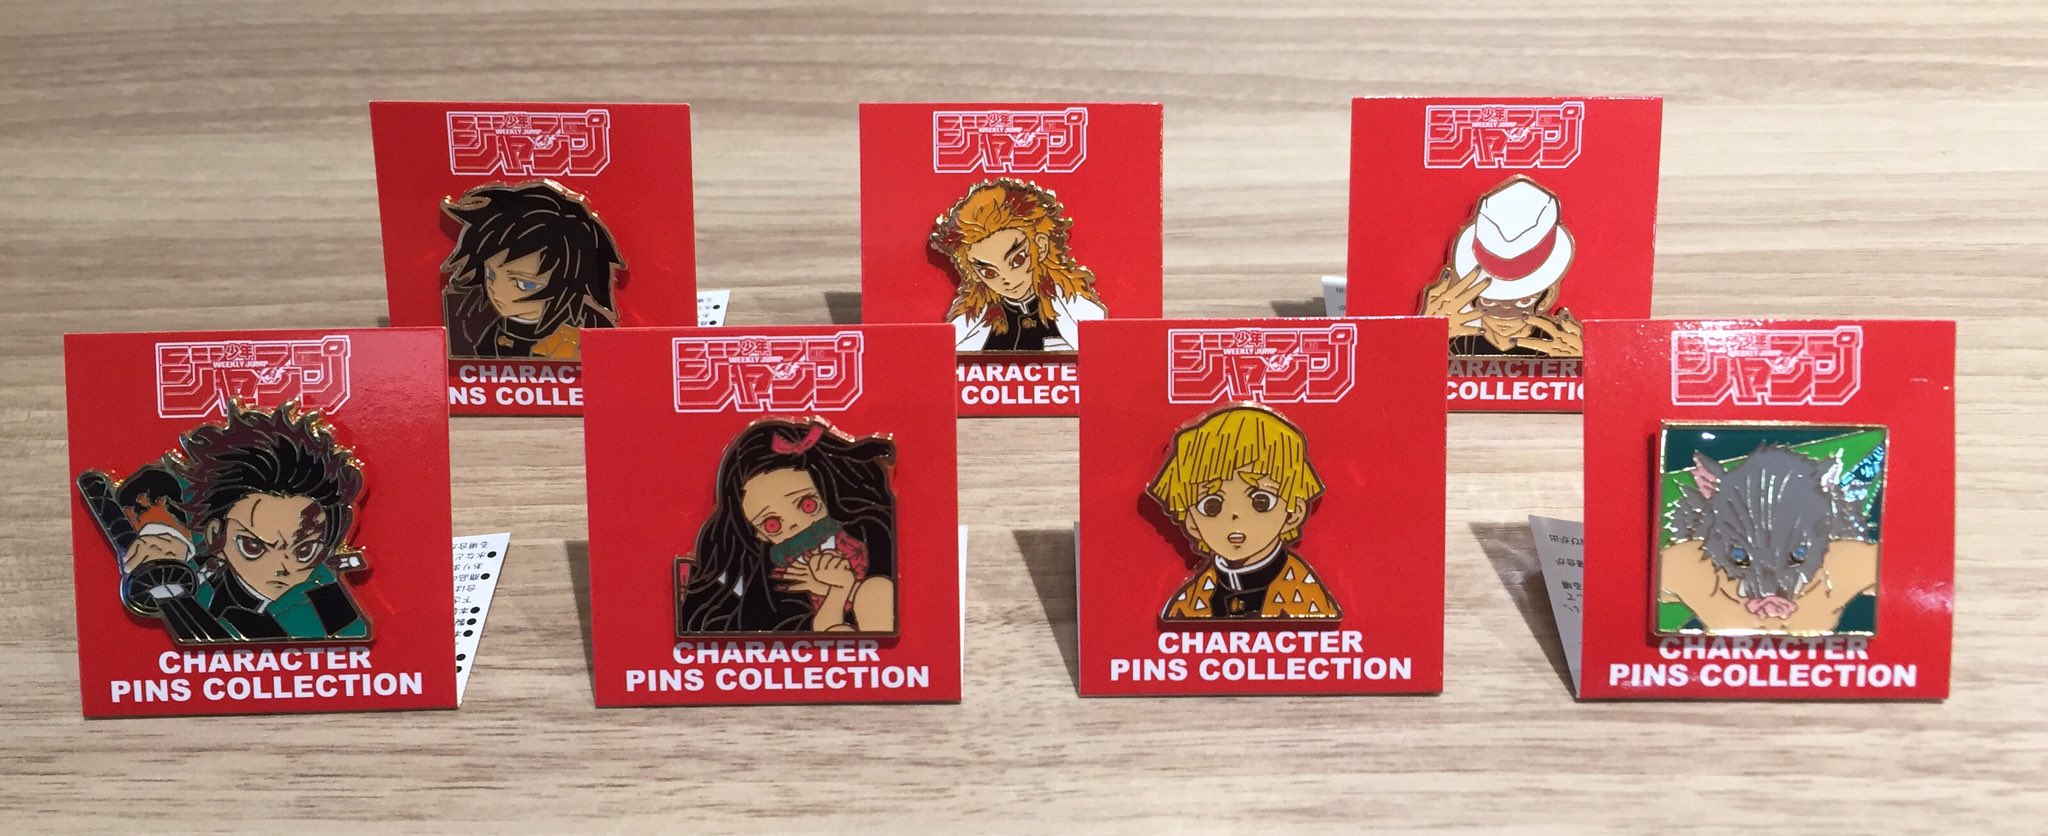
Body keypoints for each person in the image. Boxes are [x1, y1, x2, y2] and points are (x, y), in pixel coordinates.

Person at [93, 401, 369, 643]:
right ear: (215, 535)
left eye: (303, 550)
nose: (282, 568)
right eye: (253, 546)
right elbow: (154, 491)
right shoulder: (195, 576)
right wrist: (162, 540)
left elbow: (350, 641)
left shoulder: (325, 594)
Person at [677, 419, 898, 634]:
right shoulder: (770, 580)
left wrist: (846, 589)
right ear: (759, 534)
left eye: (808, 505)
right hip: (808, 651)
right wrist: (837, 592)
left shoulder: (873, 535)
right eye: (772, 524)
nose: (796, 525)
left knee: (876, 589)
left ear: (829, 495)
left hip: (878, 637)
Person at [1146, 406, 1339, 621]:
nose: (1235, 516)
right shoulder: (1190, 601)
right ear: (1191, 522)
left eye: (1261, 501)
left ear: (1294, 513)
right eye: (1211, 506)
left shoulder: (1304, 595)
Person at [440, 180, 624, 360]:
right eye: (491, 275)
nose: (496, 290)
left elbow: (613, 367)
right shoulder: (478, 324)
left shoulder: (591, 326)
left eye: (523, 284)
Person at [929, 178, 1106, 352]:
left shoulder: (1078, 313)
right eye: (989, 273)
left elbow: (1102, 354)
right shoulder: (967, 329)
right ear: (974, 273)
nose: (1007, 279)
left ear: (1041, 246)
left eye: (1017, 260)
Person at [1418, 176, 1583, 357]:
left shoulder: (1560, 347)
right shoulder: (1458, 343)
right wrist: (1427, 336)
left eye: (1523, 300)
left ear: (1547, 297)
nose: (1505, 312)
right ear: (1473, 299)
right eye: (1489, 301)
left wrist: (1582, 362)